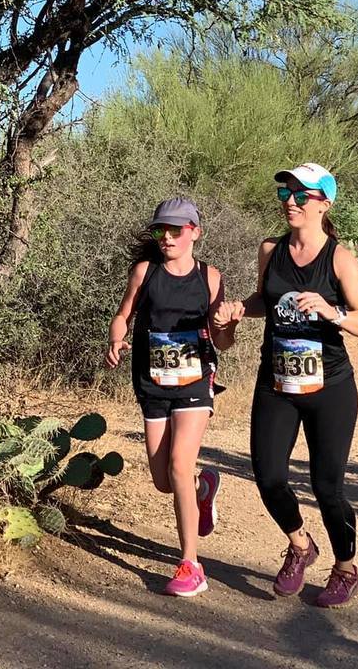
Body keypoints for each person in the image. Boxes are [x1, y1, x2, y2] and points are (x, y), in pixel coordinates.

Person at [214, 163, 358, 608]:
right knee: (268, 475)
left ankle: (346, 569)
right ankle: (300, 545)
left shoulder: (339, 258)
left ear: (324, 204)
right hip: (277, 380)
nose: (290, 201)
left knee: (328, 487)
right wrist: (239, 309)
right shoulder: (271, 250)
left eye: (301, 195)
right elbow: (265, 301)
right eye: (286, 193)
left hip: (330, 387)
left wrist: (332, 312)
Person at [105, 197, 228, 598]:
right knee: (164, 481)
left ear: (195, 232)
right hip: (153, 383)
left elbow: (223, 340)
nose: (167, 237)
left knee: (178, 464)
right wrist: (116, 339)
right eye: (161, 229)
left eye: (176, 230)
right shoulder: (145, 272)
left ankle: (191, 565)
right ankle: (202, 489)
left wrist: (228, 324)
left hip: (195, 382)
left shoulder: (210, 278)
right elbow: (123, 315)